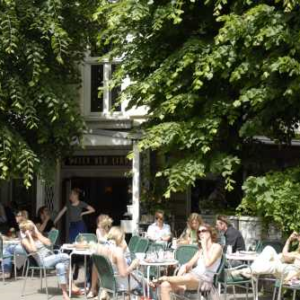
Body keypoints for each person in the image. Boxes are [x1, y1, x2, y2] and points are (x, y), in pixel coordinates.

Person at [156, 223, 223, 300]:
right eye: (199, 232)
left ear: (210, 232)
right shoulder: (200, 251)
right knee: (165, 285)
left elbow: (207, 264)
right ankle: (164, 280)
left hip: (204, 280)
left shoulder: (217, 247)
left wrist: (204, 246)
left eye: (203, 231)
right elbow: (189, 265)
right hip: (192, 276)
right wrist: (184, 267)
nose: (201, 233)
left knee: (189, 277)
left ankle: (165, 278)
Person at [20, 220, 81, 300]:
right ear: (25, 231)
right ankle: (71, 283)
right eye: (30, 229)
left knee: (61, 267)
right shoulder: (25, 240)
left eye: (32, 228)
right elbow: (34, 250)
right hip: (43, 261)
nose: (33, 230)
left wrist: (37, 233)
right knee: (65, 256)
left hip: (51, 257)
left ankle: (65, 294)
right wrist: (30, 237)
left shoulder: (37, 235)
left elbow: (49, 243)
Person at [87, 226, 141, 299]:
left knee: (142, 279)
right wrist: (133, 265)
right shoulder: (118, 251)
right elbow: (123, 274)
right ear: (120, 238)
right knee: (143, 282)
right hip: (120, 283)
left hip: (106, 283)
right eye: (123, 238)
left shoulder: (100, 248)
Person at [231, 231, 300, 283]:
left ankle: (244, 271)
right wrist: (289, 240)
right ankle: (251, 273)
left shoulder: (297, 255)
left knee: (274, 265)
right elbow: (285, 254)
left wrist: (289, 240)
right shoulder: (296, 252)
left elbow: (285, 255)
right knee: (269, 248)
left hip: (287, 271)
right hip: (280, 263)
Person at [2, 210, 30, 278]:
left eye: (17, 216)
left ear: (22, 217)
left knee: (7, 249)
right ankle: (6, 270)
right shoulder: (25, 224)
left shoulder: (23, 225)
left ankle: (6, 272)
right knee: (8, 247)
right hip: (27, 247)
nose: (15, 217)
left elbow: (26, 238)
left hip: (27, 248)